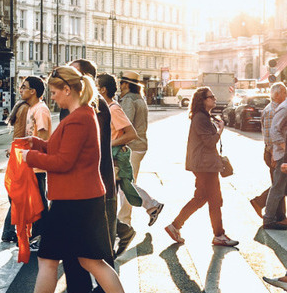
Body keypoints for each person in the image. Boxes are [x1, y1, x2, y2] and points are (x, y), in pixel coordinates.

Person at [5, 66, 143, 293]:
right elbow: (61, 152)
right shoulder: (82, 115)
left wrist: (30, 156)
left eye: (55, 92)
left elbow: (64, 162)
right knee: (90, 260)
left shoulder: (80, 118)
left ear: (67, 90)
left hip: (74, 202)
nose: (53, 97)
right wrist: (35, 143)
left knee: (48, 260)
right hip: (80, 199)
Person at [53, 59, 116, 293]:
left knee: (97, 243)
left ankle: (104, 291)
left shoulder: (93, 105)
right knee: (78, 243)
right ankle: (83, 290)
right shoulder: (72, 105)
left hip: (90, 183)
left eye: (73, 73)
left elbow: (79, 150)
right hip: (78, 183)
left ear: (85, 77)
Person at [163, 87, 239, 247]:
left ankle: (175, 226)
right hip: (204, 166)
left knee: (201, 198)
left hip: (205, 164)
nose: (215, 98)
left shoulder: (204, 117)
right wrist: (220, 130)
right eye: (211, 97)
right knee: (215, 200)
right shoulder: (200, 118)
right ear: (202, 100)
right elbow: (210, 142)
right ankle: (219, 235)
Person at [3, 77, 50, 249]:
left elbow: (43, 138)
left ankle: (44, 237)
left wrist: (29, 152)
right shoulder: (32, 109)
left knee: (40, 202)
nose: (20, 90)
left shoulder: (40, 110)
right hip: (30, 163)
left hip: (36, 163)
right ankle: (39, 235)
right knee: (33, 201)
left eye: (24, 87)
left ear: (33, 92)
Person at [97, 73, 140, 256]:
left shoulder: (113, 108)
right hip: (105, 160)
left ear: (103, 89)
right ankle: (121, 231)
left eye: (95, 85)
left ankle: (122, 232)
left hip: (112, 162)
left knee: (105, 203)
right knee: (102, 204)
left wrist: (108, 144)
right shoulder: (104, 107)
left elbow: (131, 134)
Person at [117, 71, 164, 227]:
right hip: (140, 145)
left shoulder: (129, 100)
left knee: (127, 185)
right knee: (127, 183)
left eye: (121, 82)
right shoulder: (139, 99)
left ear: (126, 84)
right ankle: (127, 218)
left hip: (131, 146)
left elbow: (125, 124)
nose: (119, 85)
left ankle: (149, 207)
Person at [250, 82, 287, 221]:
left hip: (277, 152)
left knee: (280, 184)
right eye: (284, 92)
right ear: (277, 95)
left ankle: (279, 215)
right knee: (278, 185)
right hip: (275, 152)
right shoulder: (272, 110)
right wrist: (272, 153)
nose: (286, 94)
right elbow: (270, 135)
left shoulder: (278, 108)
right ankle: (268, 210)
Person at [1, 89, 30, 243]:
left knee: (16, 195)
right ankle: (9, 230)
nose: (21, 89)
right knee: (18, 196)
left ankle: (9, 230)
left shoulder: (21, 106)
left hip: (17, 152)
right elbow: (22, 134)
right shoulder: (25, 108)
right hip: (20, 154)